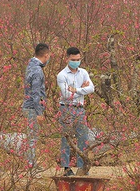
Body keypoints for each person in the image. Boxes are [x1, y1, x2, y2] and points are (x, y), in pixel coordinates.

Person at [57, 47, 95, 176]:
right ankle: (66, 167)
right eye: (73, 60)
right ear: (67, 58)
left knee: (83, 138)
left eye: (78, 60)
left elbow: (91, 88)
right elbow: (66, 94)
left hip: (79, 108)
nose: (76, 62)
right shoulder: (62, 75)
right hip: (66, 108)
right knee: (66, 138)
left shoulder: (83, 73)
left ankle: (82, 166)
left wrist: (76, 90)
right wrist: (81, 89)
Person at [22, 43, 51, 168]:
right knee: (32, 137)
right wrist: (39, 112)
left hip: (27, 106)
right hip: (32, 108)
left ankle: (31, 163)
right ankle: (31, 165)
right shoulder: (37, 71)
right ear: (46, 55)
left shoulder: (30, 66)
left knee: (31, 136)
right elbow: (35, 93)